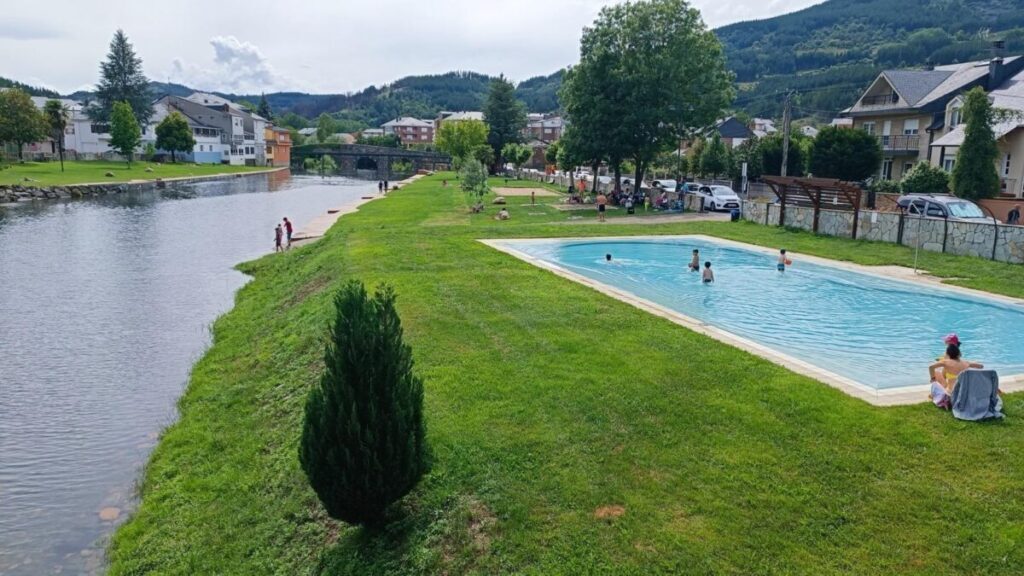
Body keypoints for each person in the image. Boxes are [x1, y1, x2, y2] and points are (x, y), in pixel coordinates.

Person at [929, 343, 984, 407]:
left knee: (936, 373)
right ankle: (937, 392)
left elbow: (931, 367)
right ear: (959, 354)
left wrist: (933, 379)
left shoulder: (945, 362)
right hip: (962, 394)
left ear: (948, 354)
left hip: (951, 395)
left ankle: (935, 394)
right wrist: (973, 362)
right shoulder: (966, 363)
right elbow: (981, 366)